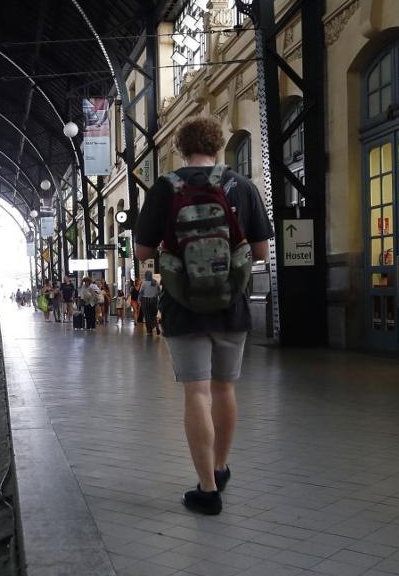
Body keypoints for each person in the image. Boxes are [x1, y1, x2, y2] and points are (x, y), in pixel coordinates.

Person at [134, 115, 273, 516]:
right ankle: (220, 466)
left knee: (196, 391)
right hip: (233, 303)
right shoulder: (242, 186)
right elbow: (262, 252)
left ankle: (207, 491)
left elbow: (143, 252)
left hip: (182, 304)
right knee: (225, 389)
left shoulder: (165, 187)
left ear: (180, 147)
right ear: (218, 145)